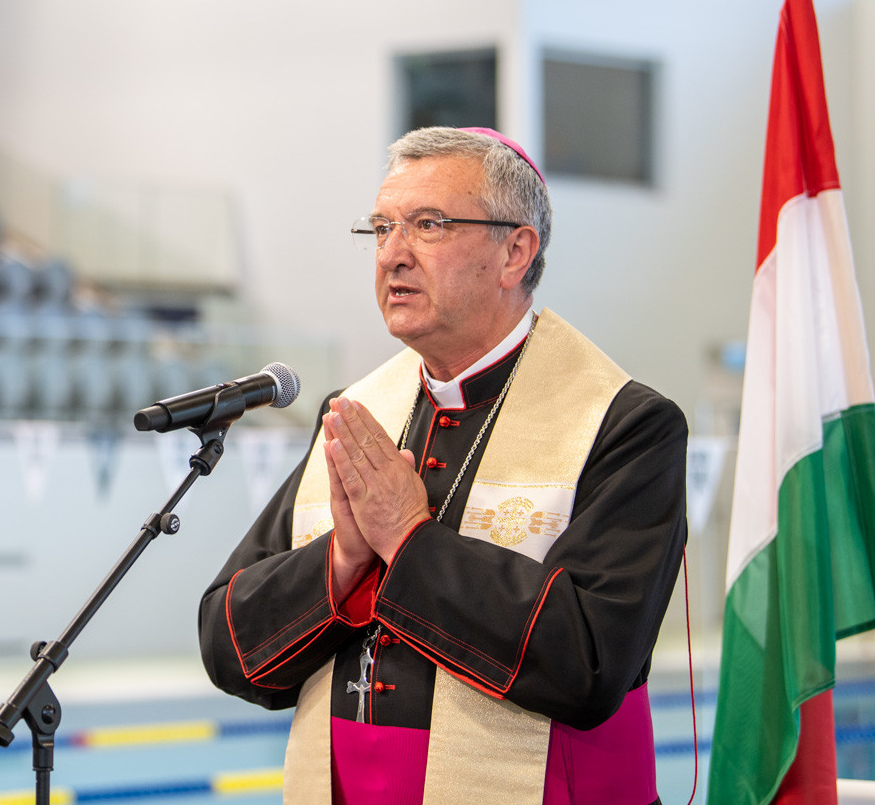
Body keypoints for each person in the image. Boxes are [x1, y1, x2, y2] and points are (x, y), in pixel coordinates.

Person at [199, 127, 686, 805]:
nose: (392, 254)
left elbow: (592, 662)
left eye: (428, 224)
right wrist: (342, 560)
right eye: (381, 228)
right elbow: (226, 641)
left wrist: (407, 540)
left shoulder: (623, 423)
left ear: (515, 251)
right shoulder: (356, 413)